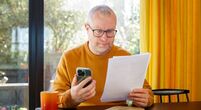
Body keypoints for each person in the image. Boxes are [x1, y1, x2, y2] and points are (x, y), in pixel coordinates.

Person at [52, 5, 154, 108]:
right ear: (87, 29)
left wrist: (147, 99)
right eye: (98, 31)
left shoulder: (125, 56)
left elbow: (148, 92)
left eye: (110, 31)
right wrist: (72, 97)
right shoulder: (69, 57)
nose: (104, 38)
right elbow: (56, 99)